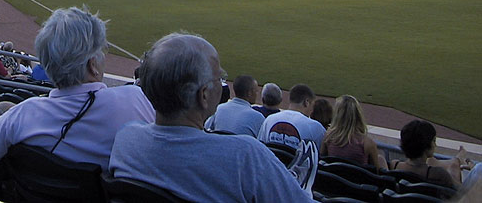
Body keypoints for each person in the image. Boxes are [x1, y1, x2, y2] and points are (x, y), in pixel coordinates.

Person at [109, 33, 314, 202]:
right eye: (219, 78)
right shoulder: (245, 156)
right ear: (204, 95)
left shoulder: (126, 139)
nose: (222, 83)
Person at [0, 6, 155, 172]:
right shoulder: (135, 99)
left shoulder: (22, 114)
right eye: (101, 51)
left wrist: (0, 109)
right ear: (92, 64)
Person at [390, 120, 469, 189]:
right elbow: (463, 192)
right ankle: (458, 159)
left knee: (434, 161)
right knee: (454, 167)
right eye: (434, 141)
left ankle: (457, 159)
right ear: (426, 145)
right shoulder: (438, 174)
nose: (435, 145)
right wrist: (474, 171)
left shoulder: (394, 165)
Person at [320, 95, 386, 169]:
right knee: (381, 159)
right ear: (358, 115)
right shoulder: (367, 144)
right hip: (358, 180)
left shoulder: (328, 137)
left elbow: (322, 162)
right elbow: (377, 173)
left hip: (334, 179)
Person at [258, 84, 325, 149]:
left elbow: (260, 146)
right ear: (306, 102)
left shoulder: (269, 119)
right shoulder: (316, 127)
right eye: (312, 104)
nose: (312, 109)